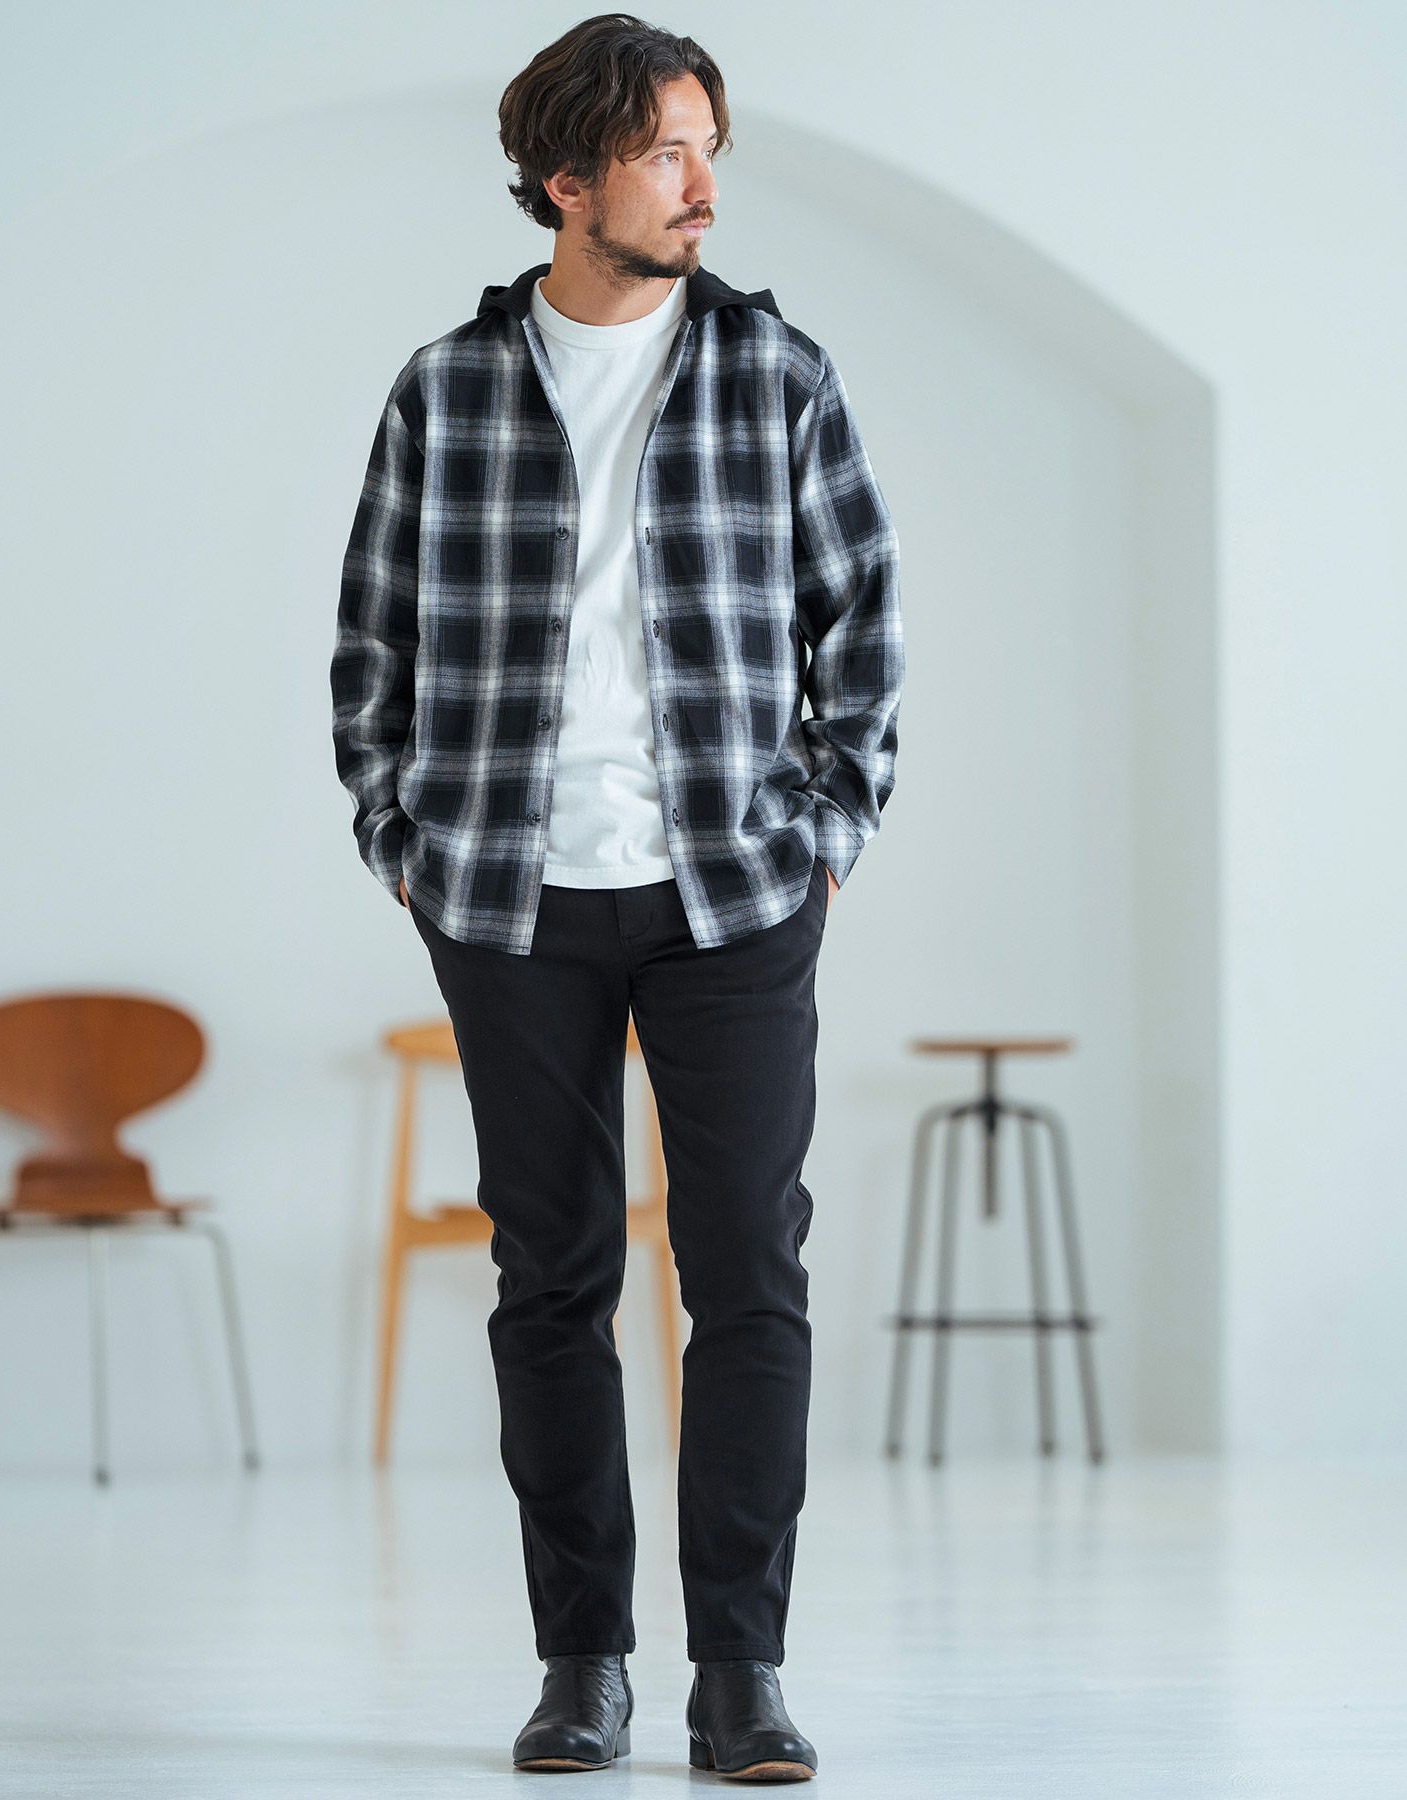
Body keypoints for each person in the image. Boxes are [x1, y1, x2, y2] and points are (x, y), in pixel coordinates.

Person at [330, 12, 904, 1782]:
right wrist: (400, 834)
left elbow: (862, 628)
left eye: (709, 146)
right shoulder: (445, 386)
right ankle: (583, 1664)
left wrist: (827, 829)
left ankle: (742, 1673)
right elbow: (372, 642)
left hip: (735, 891)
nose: (702, 183)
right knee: (552, 1275)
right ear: (568, 178)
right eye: (667, 150)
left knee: (748, 1271)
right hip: (508, 894)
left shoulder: (777, 373)